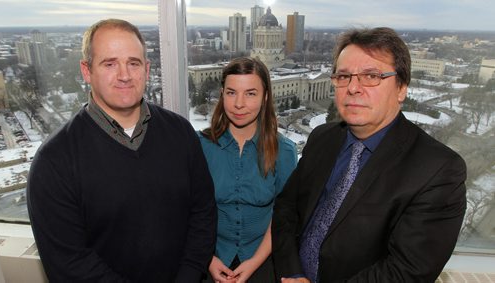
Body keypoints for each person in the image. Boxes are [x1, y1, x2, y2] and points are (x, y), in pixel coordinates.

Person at [27, 18, 217, 282]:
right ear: (86, 70)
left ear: (147, 70)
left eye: (134, 63)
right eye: (110, 63)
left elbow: (203, 213)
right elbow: (70, 263)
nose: (125, 75)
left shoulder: (181, 133)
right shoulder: (54, 162)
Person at [272, 27, 466, 283]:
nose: (353, 88)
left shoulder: (438, 170)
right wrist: (292, 272)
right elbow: (286, 208)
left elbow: (406, 271)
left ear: (401, 88)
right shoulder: (322, 138)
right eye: (343, 76)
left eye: (371, 76)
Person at [198, 57, 297, 282]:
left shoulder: (285, 151)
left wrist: (253, 263)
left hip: (262, 259)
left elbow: (283, 217)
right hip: (209, 258)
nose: (239, 104)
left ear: (265, 97)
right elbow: (188, 211)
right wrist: (208, 259)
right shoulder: (200, 146)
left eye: (251, 93)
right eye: (231, 92)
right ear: (222, 94)